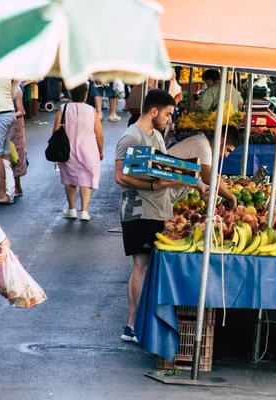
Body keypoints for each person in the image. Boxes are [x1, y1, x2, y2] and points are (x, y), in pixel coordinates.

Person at [114, 89, 188, 343]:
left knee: (143, 266)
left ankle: (133, 324)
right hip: (138, 209)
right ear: (154, 111)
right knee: (140, 265)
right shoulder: (130, 138)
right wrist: (154, 186)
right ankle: (134, 325)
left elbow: (161, 165)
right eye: (168, 113)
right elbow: (120, 176)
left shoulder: (155, 135)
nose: (170, 119)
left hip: (156, 208)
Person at [53, 83, 104, 221]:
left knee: (70, 179)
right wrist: (100, 151)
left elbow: (56, 132)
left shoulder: (62, 109)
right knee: (86, 179)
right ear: (86, 94)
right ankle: (85, 211)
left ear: (70, 93)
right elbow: (99, 135)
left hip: (67, 150)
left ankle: (72, 209)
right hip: (89, 150)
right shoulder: (91, 110)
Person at [168, 126, 242, 209]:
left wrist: (199, 184)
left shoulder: (202, 143)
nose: (226, 155)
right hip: (158, 193)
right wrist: (232, 198)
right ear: (221, 141)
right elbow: (208, 177)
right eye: (228, 150)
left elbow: (213, 176)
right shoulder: (202, 146)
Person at [0, 78, 16, 204]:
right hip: (9, 111)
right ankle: (10, 190)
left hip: (0, 112)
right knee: (4, 153)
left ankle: (2, 194)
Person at [10, 83, 26, 196]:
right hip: (6, 123)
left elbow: (20, 111)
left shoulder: (17, 90)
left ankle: (17, 186)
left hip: (15, 125)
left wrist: (6, 116)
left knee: (15, 154)